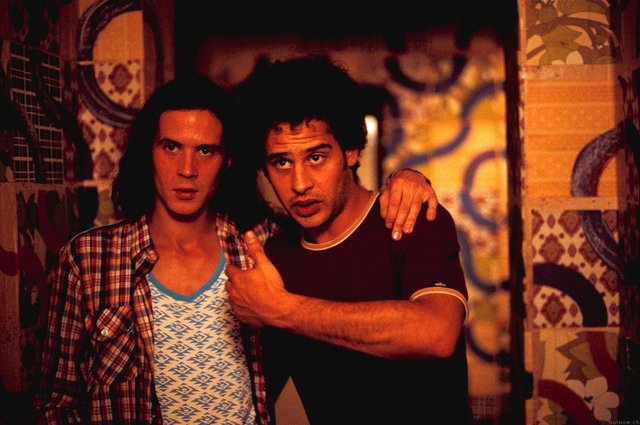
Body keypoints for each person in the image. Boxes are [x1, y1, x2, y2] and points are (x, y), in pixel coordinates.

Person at [34, 73, 439, 424]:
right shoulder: (89, 261)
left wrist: (407, 178)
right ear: (148, 154)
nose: (187, 170)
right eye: (171, 147)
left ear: (227, 161)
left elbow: (339, 221)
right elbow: (57, 403)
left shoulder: (262, 245)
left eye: (205, 151)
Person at [226, 55, 472, 425]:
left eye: (316, 157)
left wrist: (284, 310)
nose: (299, 184)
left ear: (351, 151)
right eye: (282, 163)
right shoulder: (275, 256)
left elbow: (437, 333)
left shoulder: (409, 217)